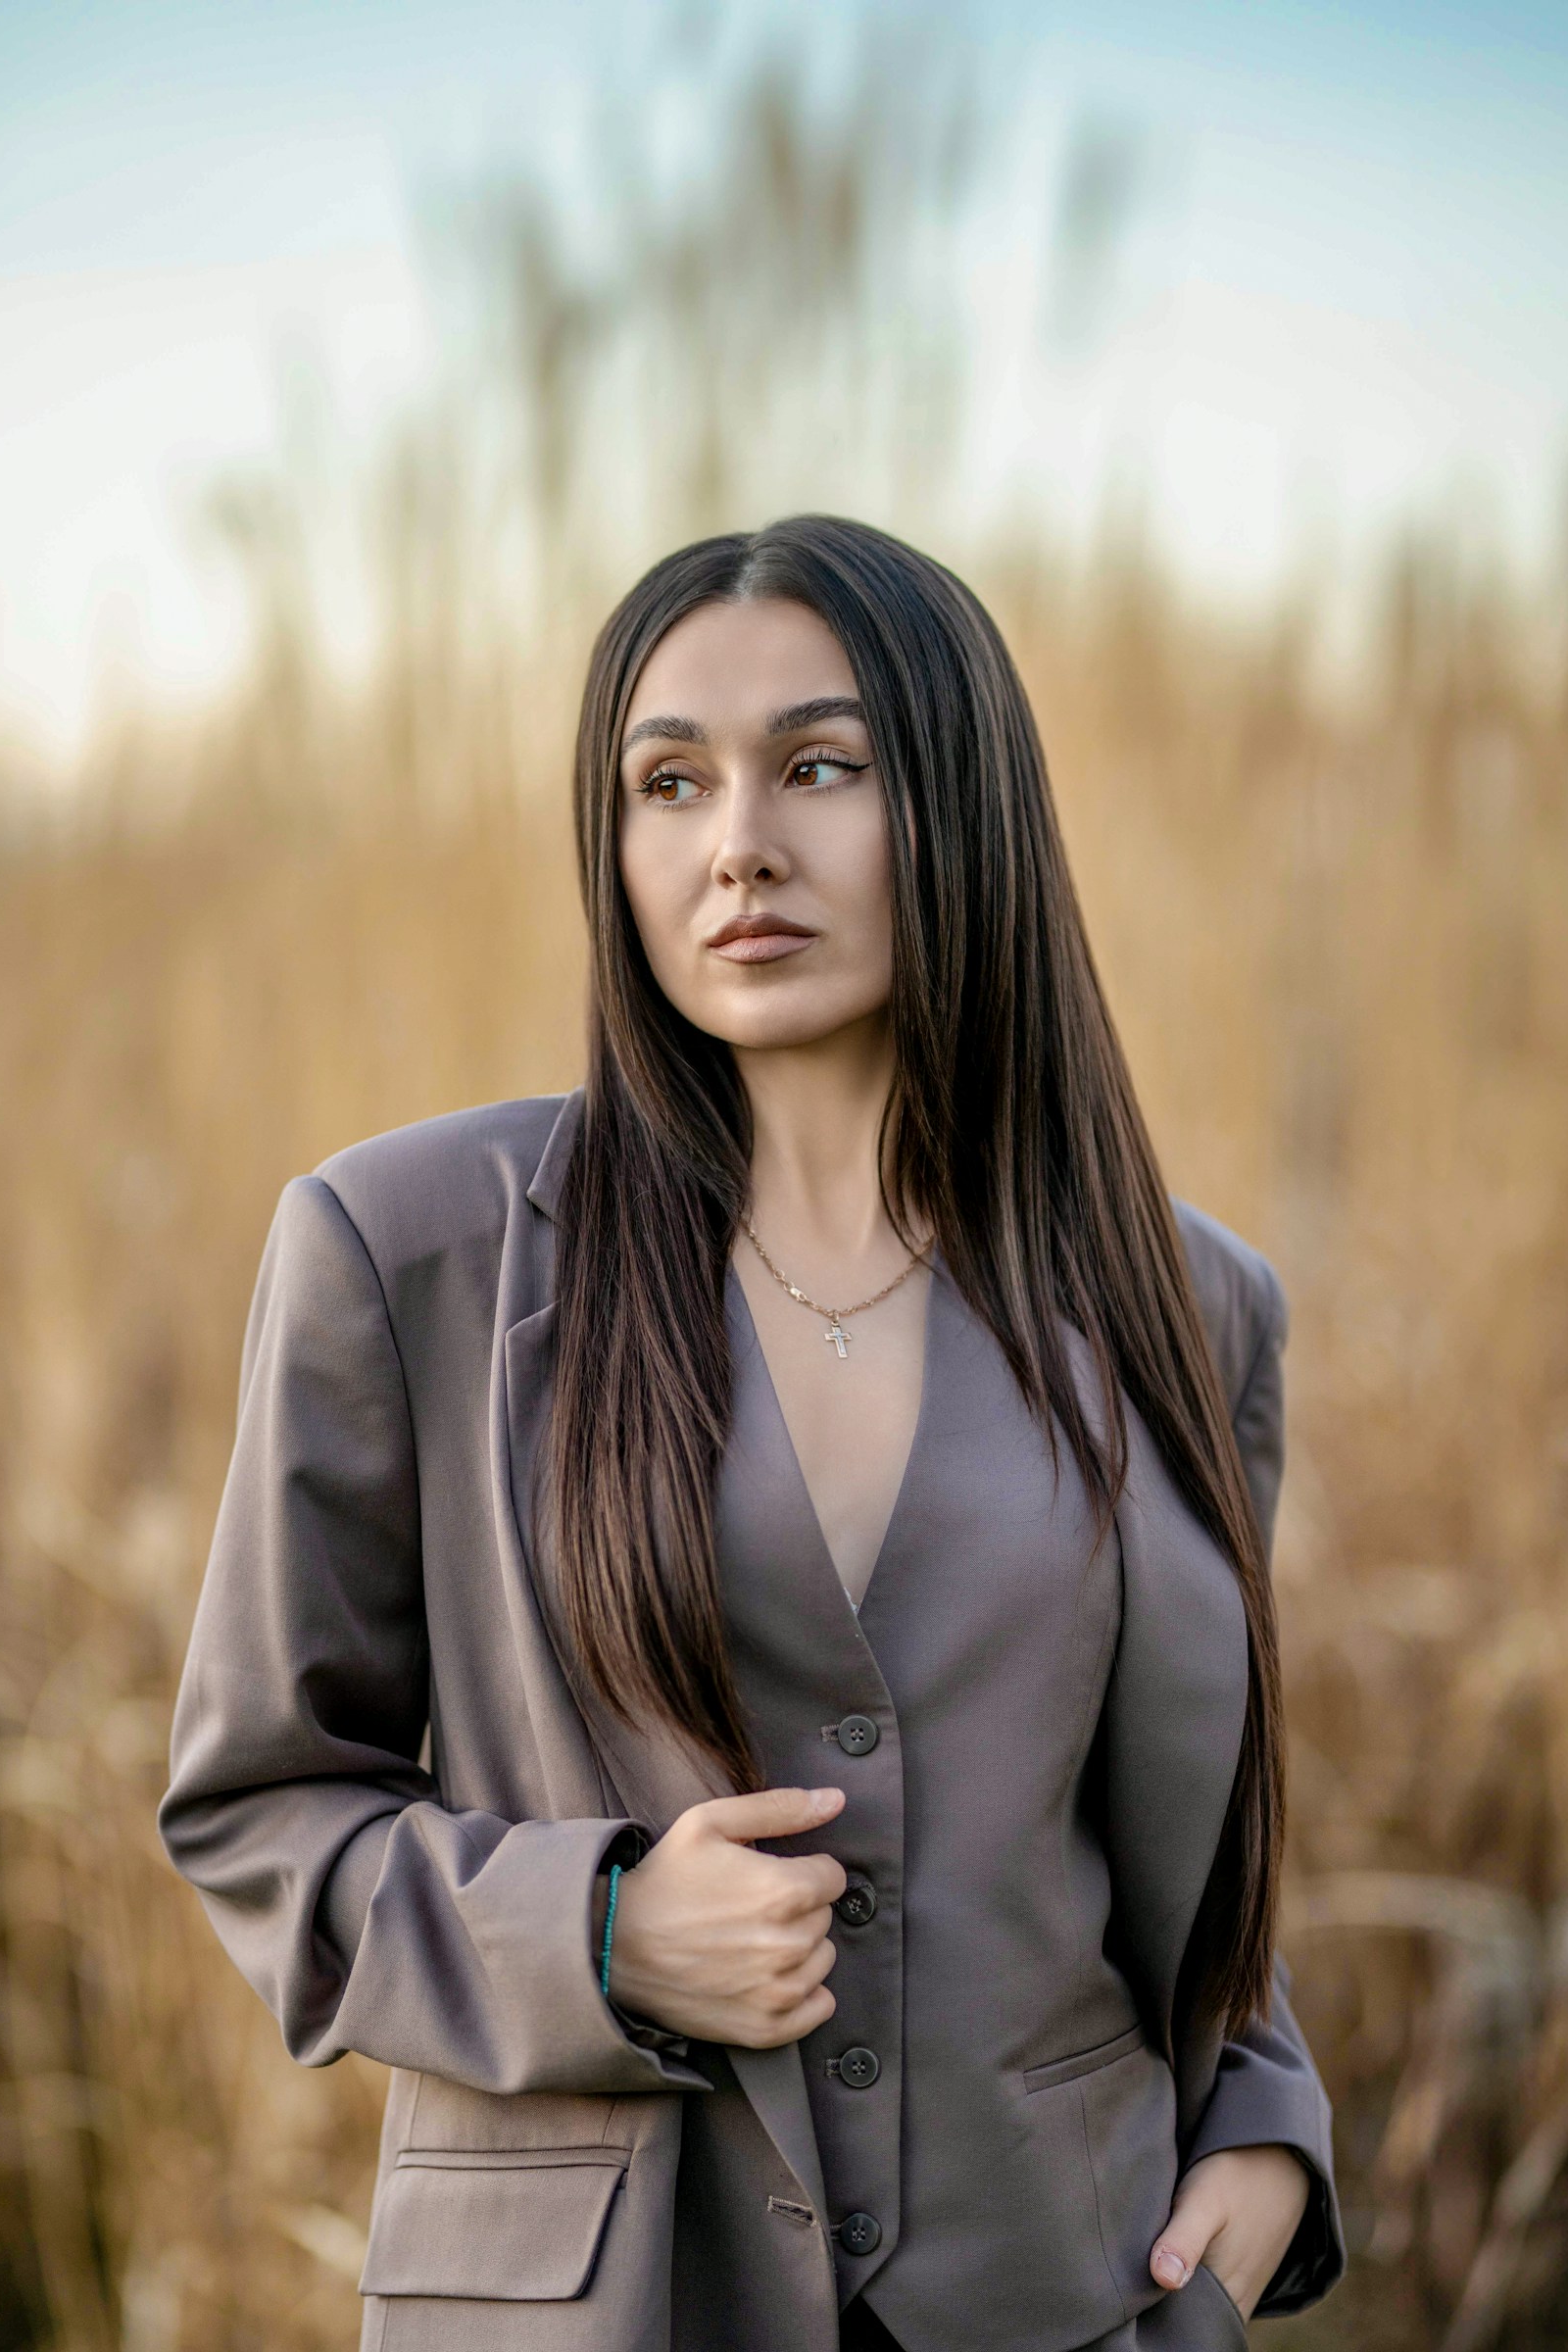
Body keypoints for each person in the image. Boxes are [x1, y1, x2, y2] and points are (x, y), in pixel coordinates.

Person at [160, 514, 1345, 2352]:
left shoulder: (1191, 1304)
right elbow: (258, 1808)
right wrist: (600, 1934)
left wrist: (1265, 2128)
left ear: (965, 805)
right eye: (669, 783)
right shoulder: (404, 1257)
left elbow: (1193, 1846)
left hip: (1072, 2295)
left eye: (819, 767)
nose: (738, 846)